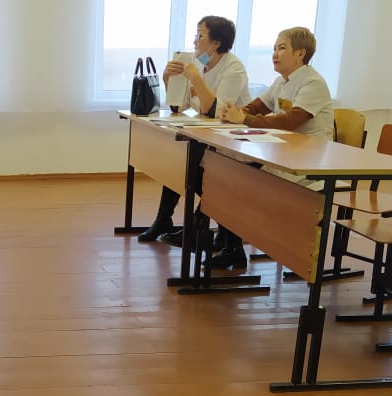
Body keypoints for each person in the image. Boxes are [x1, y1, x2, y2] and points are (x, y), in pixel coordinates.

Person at [140, 16, 252, 268]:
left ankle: (218, 234)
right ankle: (167, 219)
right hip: (209, 136)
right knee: (178, 160)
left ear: (216, 43)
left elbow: (217, 111)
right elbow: (180, 107)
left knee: (199, 173)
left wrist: (196, 80)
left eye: (200, 35)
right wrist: (169, 78)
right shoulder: (200, 65)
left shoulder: (233, 68)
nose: (194, 41)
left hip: (233, 143)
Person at [219, 26, 333, 138]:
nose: (275, 55)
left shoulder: (313, 83)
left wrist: (244, 118)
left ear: (300, 54)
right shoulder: (280, 81)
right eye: (274, 49)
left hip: (313, 147)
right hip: (287, 144)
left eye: (281, 48)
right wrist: (233, 112)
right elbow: (256, 108)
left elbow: (289, 122)